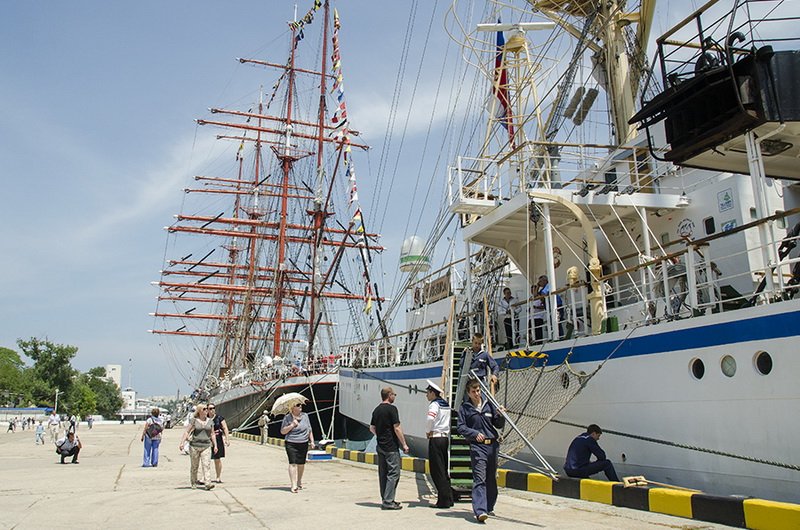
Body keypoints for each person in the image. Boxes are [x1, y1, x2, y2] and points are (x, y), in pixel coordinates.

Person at [457, 378, 505, 523]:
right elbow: (461, 427)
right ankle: (480, 510)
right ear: (468, 393)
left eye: (478, 391)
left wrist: (501, 415)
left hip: (492, 445)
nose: (477, 394)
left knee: (491, 477)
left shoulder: (489, 405)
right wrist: (473, 433)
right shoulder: (465, 408)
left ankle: (489, 507)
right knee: (480, 478)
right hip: (478, 447)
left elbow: (498, 424)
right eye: (474, 392)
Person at [369, 387, 409, 510]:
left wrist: (380, 436)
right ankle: (388, 501)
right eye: (394, 395)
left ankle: (386, 498)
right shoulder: (392, 409)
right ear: (390, 395)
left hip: (380, 446)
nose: (394, 397)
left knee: (383, 473)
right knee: (394, 473)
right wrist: (404, 444)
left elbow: (372, 428)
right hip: (391, 446)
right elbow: (397, 427)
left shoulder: (376, 410)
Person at [425, 380, 453, 509]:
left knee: (437, 470)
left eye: (428, 393)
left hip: (435, 438)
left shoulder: (434, 404)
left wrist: (427, 430)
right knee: (444, 469)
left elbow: (431, 418)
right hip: (445, 438)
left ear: (432, 393)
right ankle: (449, 498)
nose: (427, 395)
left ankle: (443, 501)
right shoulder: (446, 404)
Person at [179, 403, 218, 490]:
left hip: (206, 445)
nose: (206, 410)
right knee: (194, 465)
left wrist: (215, 445)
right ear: (199, 411)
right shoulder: (194, 421)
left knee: (206, 464)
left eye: (207, 409)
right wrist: (182, 443)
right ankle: (193, 482)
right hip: (195, 446)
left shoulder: (210, 421)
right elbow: (187, 432)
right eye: (204, 409)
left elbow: (212, 434)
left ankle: (208, 483)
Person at [279, 401, 315, 493]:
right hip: (291, 442)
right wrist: (292, 425)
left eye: (300, 405)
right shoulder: (287, 418)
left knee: (301, 464)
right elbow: (283, 431)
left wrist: (312, 441)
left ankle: (299, 481)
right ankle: (293, 485)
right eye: (298, 405)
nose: (300, 406)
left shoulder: (305, 416)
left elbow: (309, 429)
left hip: (303, 442)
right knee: (293, 463)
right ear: (292, 408)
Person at [207, 404, 230, 483]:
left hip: (217, 438)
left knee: (217, 459)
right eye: (210, 408)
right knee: (206, 459)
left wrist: (227, 439)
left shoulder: (219, 418)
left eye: (213, 408)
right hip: (207, 439)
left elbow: (225, 428)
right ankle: (205, 477)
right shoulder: (205, 418)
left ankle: (218, 476)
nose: (212, 410)